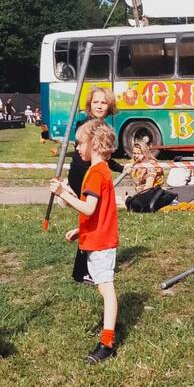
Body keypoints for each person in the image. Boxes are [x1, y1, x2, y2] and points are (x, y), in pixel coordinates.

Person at [49, 120, 120, 365]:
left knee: (106, 289)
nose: (78, 148)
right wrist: (80, 230)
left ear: (96, 144)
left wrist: (63, 193)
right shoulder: (101, 171)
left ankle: (107, 342)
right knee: (104, 287)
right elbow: (99, 212)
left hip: (101, 243)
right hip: (99, 238)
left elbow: (89, 209)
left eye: (80, 143)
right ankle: (109, 329)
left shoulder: (95, 173)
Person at [66, 87, 122, 284]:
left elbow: (105, 157)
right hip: (83, 174)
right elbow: (85, 154)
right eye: (96, 102)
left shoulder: (103, 125)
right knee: (89, 218)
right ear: (89, 105)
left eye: (104, 102)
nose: (99, 105)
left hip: (92, 174)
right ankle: (85, 269)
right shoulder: (87, 125)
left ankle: (84, 269)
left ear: (110, 106)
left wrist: (120, 168)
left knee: (91, 219)